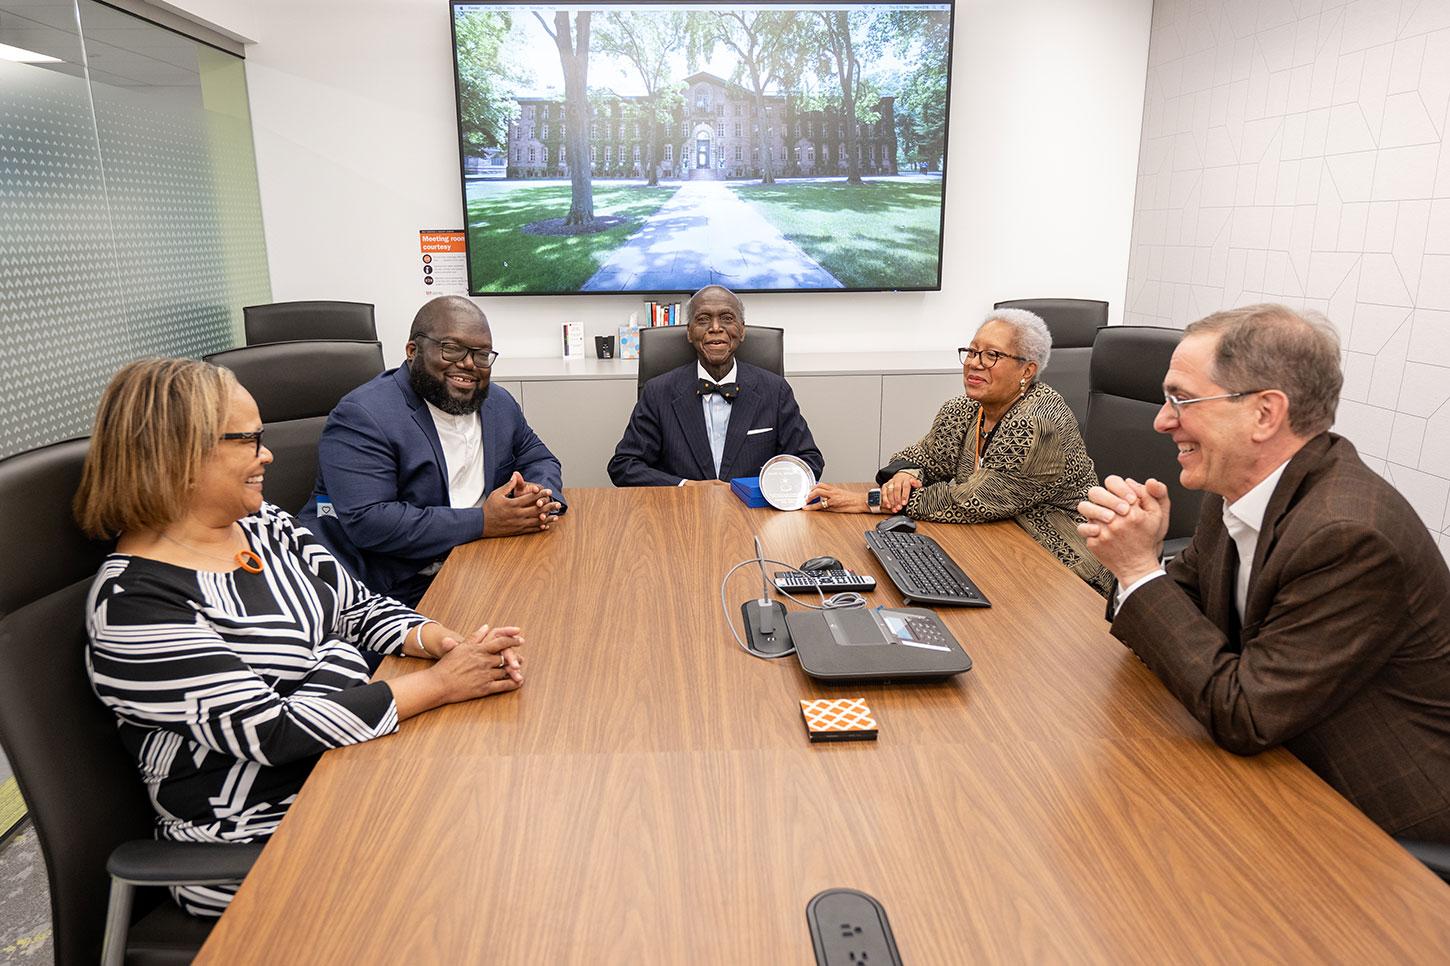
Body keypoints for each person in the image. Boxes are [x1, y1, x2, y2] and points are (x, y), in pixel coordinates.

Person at [75, 358, 526, 917]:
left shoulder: (265, 525)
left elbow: (356, 607)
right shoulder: (135, 608)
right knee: (493, 880)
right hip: (261, 848)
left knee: (514, 823)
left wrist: (439, 641)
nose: (267, 455)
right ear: (179, 455)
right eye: (248, 440)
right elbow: (275, 732)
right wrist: (434, 684)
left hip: (352, 775)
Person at [1077, 304, 1450, 845]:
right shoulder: (1238, 490)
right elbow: (1180, 606)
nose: (1161, 420)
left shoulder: (1348, 536)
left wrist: (1137, 569)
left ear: (1264, 414)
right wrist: (1147, 564)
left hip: (1379, 817)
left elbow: (1245, 714)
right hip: (1281, 761)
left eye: (1181, 398)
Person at [806, 308, 1112, 596]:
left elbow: (972, 501)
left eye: (992, 355)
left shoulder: (1036, 423)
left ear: (1027, 370)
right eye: (972, 351)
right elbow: (922, 455)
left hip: (1061, 562)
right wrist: (905, 474)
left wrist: (869, 501)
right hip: (994, 540)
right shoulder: (963, 409)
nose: (974, 363)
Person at [298, 296, 565, 606]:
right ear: (413, 351)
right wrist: (484, 521)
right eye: (451, 349)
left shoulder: (498, 403)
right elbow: (369, 521)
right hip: (390, 588)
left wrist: (538, 499)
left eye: (481, 355)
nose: (468, 364)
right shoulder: (362, 416)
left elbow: (539, 457)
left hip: (480, 561)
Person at [608, 285, 823, 486]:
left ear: (742, 330)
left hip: (754, 515)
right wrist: (685, 487)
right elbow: (624, 465)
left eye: (727, 318)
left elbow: (808, 462)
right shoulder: (658, 392)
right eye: (703, 320)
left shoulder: (775, 390)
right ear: (690, 332)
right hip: (682, 514)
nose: (716, 328)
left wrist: (753, 489)